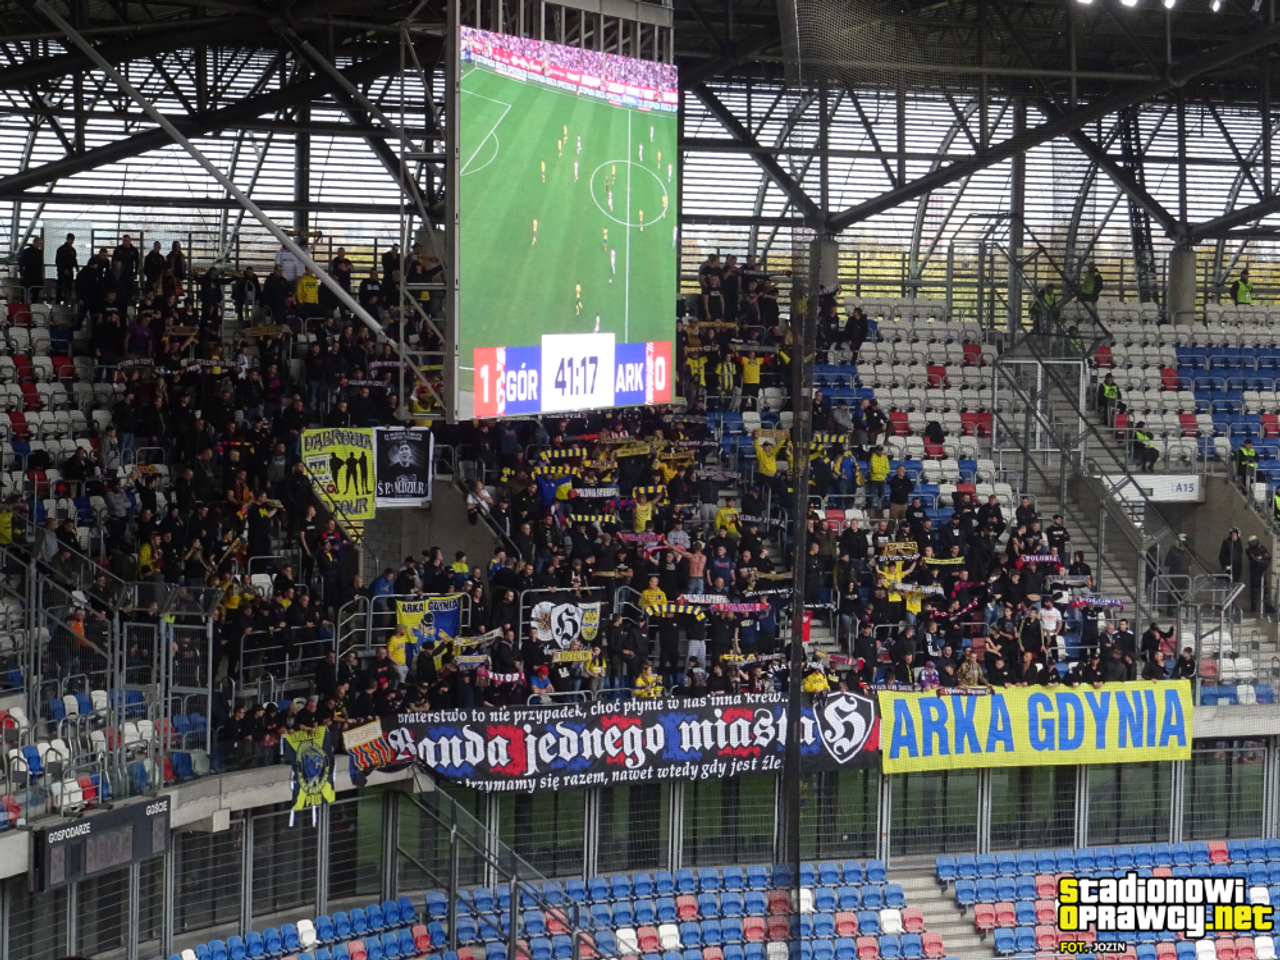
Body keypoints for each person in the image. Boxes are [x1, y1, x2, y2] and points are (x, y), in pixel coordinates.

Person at [1247, 534, 1272, 615]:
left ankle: (1267, 607)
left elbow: (1269, 556)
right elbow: (1255, 560)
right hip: (1255, 573)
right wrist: (1263, 557)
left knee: (1265, 590)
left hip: (1262, 572)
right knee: (1254, 591)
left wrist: (1262, 557)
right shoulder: (1249, 550)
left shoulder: (1262, 547)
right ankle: (1253, 609)